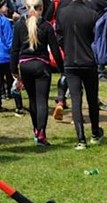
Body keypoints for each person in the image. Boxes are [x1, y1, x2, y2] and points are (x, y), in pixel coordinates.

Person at [10, 0, 63, 146]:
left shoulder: (20, 25)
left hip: (25, 66)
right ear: (42, 8)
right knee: (41, 101)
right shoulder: (46, 26)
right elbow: (55, 51)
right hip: (42, 66)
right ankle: (41, 133)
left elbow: (14, 49)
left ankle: (35, 129)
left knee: (32, 100)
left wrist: (13, 70)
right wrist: (61, 68)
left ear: (26, 8)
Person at [56, 0, 103, 150]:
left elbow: (59, 36)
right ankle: (95, 132)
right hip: (88, 60)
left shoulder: (62, 13)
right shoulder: (92, 14)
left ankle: (81, 138)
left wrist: (66, 46)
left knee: (76, 100)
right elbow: (95, 38)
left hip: (70, 61)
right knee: (92, 98)